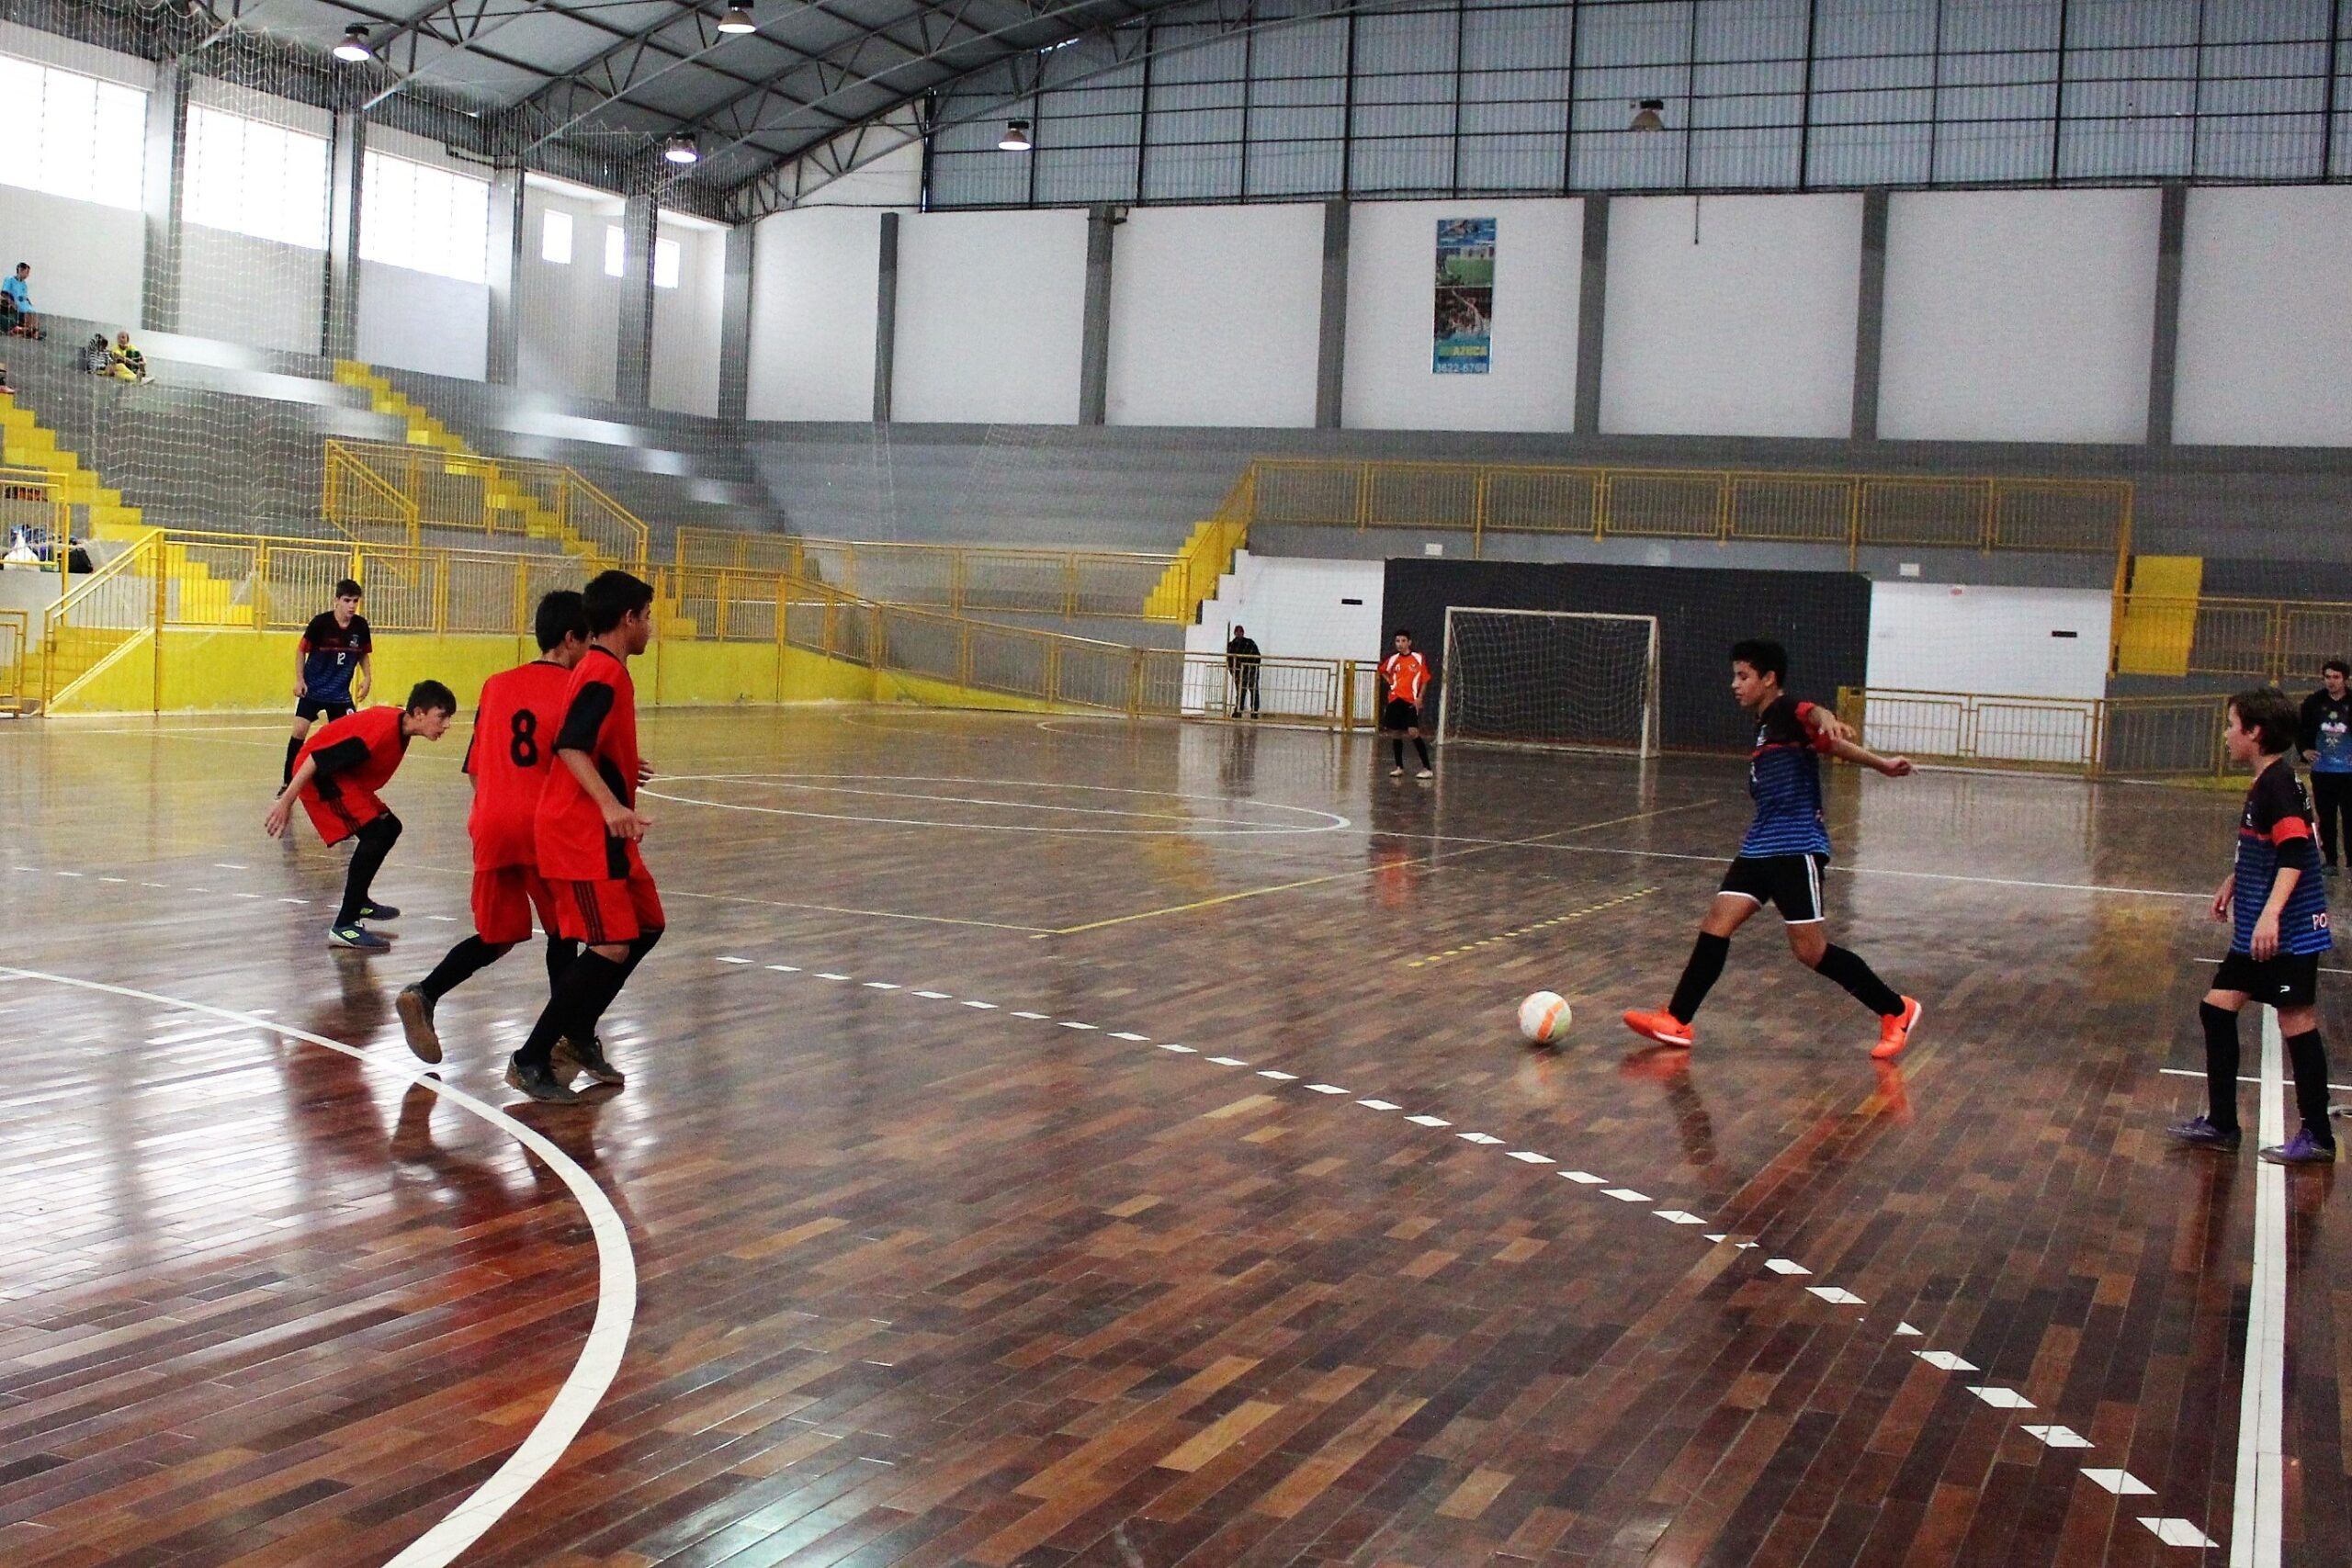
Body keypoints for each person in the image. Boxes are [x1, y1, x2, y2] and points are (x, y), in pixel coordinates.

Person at [1623, 638, 1924, 1059]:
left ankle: (1897, 1009)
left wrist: (1829, 718)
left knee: (1810, 951)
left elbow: (1814, 715)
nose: (1735, 684)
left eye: (1743, 676)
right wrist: (1881, 763)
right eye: (1735, 675)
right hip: (1759, 846)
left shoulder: (1788, 711)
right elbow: (1830, 745)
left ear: (1769, 679)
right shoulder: (1765, 725)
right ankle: (1678, 1019)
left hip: (1795, 847)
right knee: (1716, 923)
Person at [396, 591, 593, 1066]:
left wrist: (495, 816)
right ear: (571, 640)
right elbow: (577, 763)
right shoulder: (576, 689)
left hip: (489, 821)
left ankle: (424, 993)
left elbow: (474, 768)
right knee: (566, 935)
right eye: (589, 639)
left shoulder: (496, 685)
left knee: (496, 936)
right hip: (540, 827)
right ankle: (558, 1044)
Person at [505, 570, 662, 1103]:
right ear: (628, 619)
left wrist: (620, 764)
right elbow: (569, 745)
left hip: (602, 833)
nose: (650, 628)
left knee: (646, 924)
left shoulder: (604, 669)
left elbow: (584, 738)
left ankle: (576, 1033)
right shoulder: (604, 672)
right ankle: (532, 1056)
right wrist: (611, 803)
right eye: (647, 618)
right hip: (580, 831)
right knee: (611, 942)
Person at [2170, 687, 2337, 1164]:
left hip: (2289, 931)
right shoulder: (2270, 781)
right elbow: (2268, 846)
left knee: (2297, 1021)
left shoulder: (2279, 785)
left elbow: (2295, 854)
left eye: (2231, 725)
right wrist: (2234, 879)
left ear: (2254, 732)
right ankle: (2222, 1123)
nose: (2225, 735)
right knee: (2216, 1009)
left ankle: (2319, 1135)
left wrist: (2270, 914)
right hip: (2258, 931)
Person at [264, 680, 458, 951]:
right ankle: (345, 925)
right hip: (320, 777)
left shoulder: (400, 726)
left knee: (390, 827)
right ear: (418, 713)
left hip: (343, 776)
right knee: (375, 834)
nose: (447, 724)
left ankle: (359, 901)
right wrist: (286, 801)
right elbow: (315, 760)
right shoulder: (378, 733)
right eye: (442, 716)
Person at [286, 580, 373, 787]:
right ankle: (288, 780)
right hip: (313, 689)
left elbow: (363, 654)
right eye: (347, 600)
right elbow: (301, 651)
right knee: (299, 730)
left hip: (340, 694)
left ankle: (339, 778)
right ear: (336, 600)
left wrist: (367, 677)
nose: (351, 605)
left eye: (355, 601)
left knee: (349, 736)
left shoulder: (360, 626)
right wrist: (300, 680)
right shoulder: (320, 624)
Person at [2299, 658, 2352, 874]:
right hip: (2323, 771)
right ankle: (2330, 860)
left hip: (2349, 772)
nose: (2331, 681)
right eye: (2327, 677)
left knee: (2350, 817)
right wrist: (2304, 750)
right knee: (2326, 817)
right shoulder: (2314, 702)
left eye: (2336, 677)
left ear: (2345, 679)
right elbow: (2300, 730)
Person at [1378, 628, 1434, 779]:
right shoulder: (1393, 659)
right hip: (1395, 699)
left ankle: (1427, 768)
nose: (1400, 644)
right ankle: (1399, 767)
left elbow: (1425, 679)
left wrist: (1420, 697)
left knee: (1413, 731)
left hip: (1410, 700)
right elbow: (1381, 670)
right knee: (1395, 732)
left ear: (1409, 642)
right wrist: (1390, 681)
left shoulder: (1418, 658)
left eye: (1403, 641)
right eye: (1397, 641)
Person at [1226, 624, 1261, 718]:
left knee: (1252, 692)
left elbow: (1257, 657)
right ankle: (1239, 711)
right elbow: (1230, 660)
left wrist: (1251, 668)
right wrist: (1234, 672)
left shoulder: (1249, 643)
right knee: (1241, 692)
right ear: (1234, 633)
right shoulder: (1233, 645)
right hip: (1240, 672)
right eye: (1237, 632)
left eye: (1240, 632)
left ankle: (1254, 711)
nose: (1238, 634)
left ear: (1243, 633)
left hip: (1250, 672)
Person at [4, 264, 42, 338]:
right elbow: (4, 294)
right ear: (20, 270)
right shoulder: (10, 280)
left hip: (26, 307)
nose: (28, 275)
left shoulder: (24, 284)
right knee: (31, 324)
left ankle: (29, 332)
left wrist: (30, 304)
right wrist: (12, 304)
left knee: (33, 317)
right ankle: (24, 332)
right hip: (17, 306)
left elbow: (25, 297)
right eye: (27, 272)